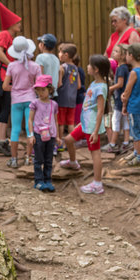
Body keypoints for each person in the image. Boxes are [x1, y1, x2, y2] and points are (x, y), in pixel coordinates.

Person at [60, 55, 110, 195]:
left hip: (92, 126)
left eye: (89, 65)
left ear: (96, 69)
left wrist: (95, 131)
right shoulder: (95, 83)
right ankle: (73, 162)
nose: (87, 67)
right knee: (69, 140)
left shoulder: (101, 88)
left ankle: (97, 184)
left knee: (95, 153)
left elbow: (100, 111)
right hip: (86, 123)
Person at [3, 36, 41, 168]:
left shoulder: (12, 66)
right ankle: (28, 158)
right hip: (31, 99)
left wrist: (15, 89)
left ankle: (14, 159)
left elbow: (5, 86)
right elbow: (39, 85)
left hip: (16, 100)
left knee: (15, 129)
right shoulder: (35, 66)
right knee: (30, 128)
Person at [0, 0, 22, 156]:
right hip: (4, 76)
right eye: (17, 22)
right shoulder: (4, 34)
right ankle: (2, 142)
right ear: (10, 23)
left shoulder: (8, 35)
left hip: (2, 75)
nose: (19, 24)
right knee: (5, 108)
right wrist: (12, 65)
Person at [28, 75, 60, 192]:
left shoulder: (54, 105)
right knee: (38, 159)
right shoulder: (35, 103)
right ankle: (38, 181)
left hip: (50, 136)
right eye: (38, 90)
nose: (40, 92)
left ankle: (48, 180)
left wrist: (57, 136)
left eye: (43, 89)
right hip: (38, 135)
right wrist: (31, 135)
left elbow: (56, 121)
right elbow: (30, 119)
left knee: (48, 159)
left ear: (50, 90)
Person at [121, 43, 140, 166]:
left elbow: (127, 91)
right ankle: (136, 152)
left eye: (126, 54)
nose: (125, 56)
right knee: (136, 130)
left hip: (134, 107)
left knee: (137, 133)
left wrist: (124, 103)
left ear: (131, 56)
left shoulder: (134, 72)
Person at [101, 44, 131, 153]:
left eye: (116, 51)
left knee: (115, 120)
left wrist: (109, 88)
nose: (113, 53)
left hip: (120, 99)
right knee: (124, 120)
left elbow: (120, 84)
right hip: (124, 99)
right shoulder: (123, 67)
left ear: (123, 56)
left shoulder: (120, 68)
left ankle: (113, 144)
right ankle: (126, 142)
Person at [57, 43, 81, 148]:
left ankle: (60, 143)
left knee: (61, 122)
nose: (59, 54)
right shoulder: (75, 68)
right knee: (70, 122)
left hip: (62, 98)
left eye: (60, 52)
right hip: (72, 98)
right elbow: (79, 85)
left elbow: (59, 83)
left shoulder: (62, 67)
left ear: (66, 55)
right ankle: (72, 143)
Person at [35, 33, 60, 99]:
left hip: (43, 93)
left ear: (42, 45)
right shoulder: (56, 59)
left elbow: (39, 75)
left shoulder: (40, 57)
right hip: (53, 92)